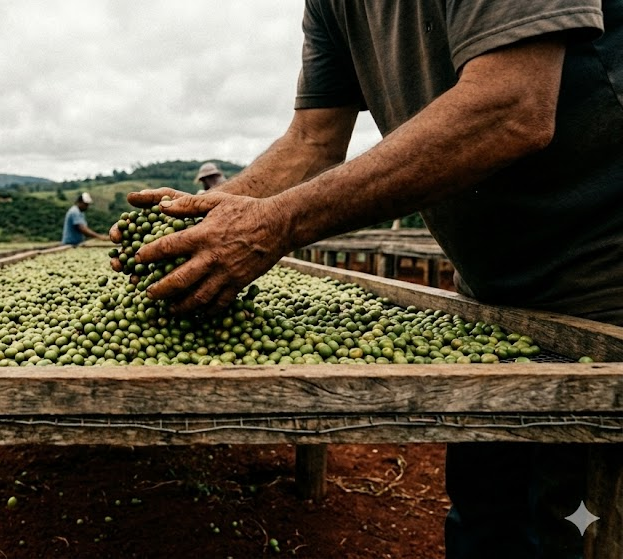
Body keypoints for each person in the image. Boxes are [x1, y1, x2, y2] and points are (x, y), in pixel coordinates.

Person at [114, 3, 622, 558]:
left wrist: (279, 222)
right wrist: (205, 222)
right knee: (484, 521)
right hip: (494, 301)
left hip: (606, 290)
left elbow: (512, 105)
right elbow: (312, 141)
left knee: (576, 530)